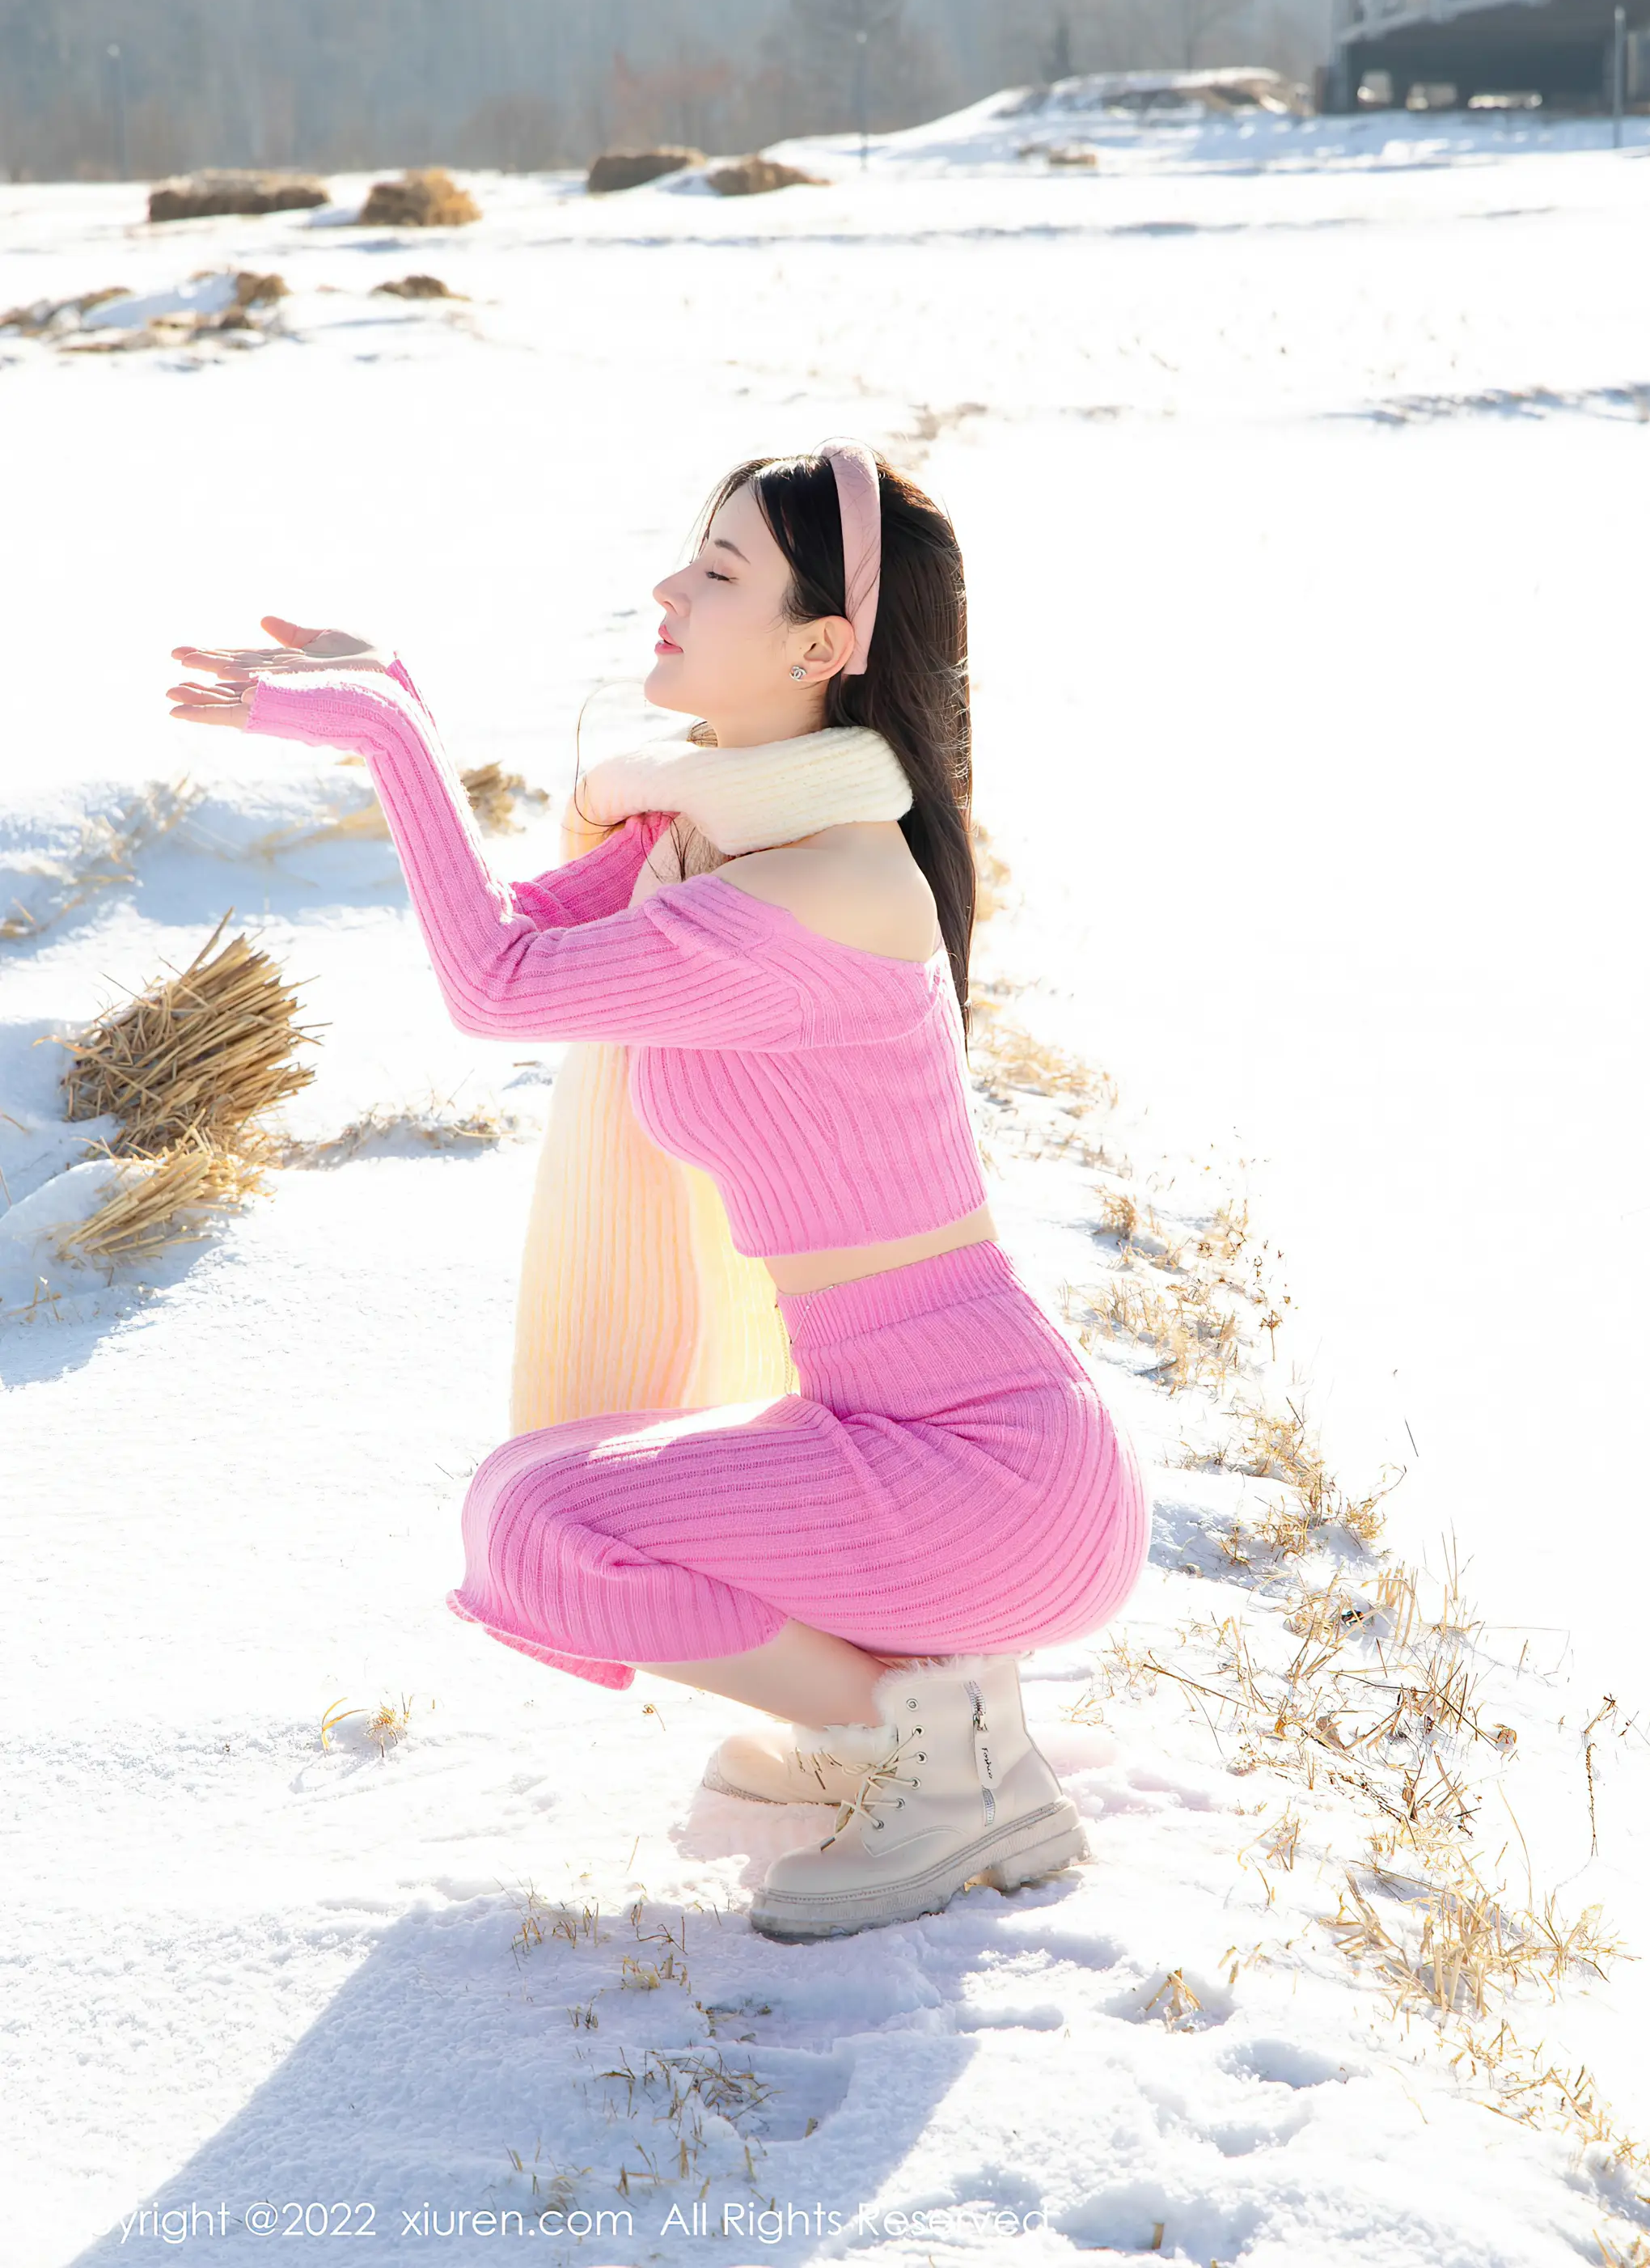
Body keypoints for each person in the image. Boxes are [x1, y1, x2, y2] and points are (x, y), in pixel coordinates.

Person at [167, 439, 1151, 1940]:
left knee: (539, 1527)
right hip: (918, 1440)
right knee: (533, 1494)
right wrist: (407, 694)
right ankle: (917, 1715)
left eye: (720, 570)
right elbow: (524, 924)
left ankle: (938, 1755)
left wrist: (383, 732)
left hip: (993, 1476)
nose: (669, 588)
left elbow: (495, 985)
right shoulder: (717, 837)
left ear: (820, 647)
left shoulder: (821, 881)